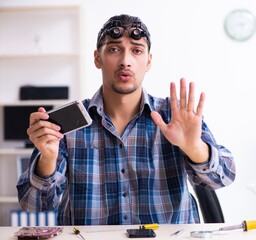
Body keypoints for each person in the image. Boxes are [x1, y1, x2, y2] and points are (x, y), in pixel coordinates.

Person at [17, 14, 236, 226]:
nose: (125, 61)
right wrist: (48, 159)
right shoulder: (68, 124)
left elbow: (224, 178)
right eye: (114, 49)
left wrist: (195, 148)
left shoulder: (174, 116)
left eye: (136, 51)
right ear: (97, 58)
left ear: (149, 61)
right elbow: (33, 205)